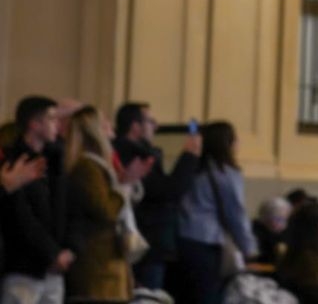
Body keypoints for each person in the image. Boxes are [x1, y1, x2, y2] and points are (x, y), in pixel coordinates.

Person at [63, 106, 150, 304]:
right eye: (104, 123)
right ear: (95, 131)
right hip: (98, 268)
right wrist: (123, 186)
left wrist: (126, 184)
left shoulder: (99, 165)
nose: (110, 127)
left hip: (108, 265)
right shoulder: (87, 167)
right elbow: (106, 210)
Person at [112, 102, 202, 290]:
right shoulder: (132, 154)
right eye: (151, 122)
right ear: (136, 127)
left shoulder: (137, 150)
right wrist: (189, 156)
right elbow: (166, 192)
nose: (156, 126)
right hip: (146, 241)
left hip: (148, 241)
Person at [2, 96, 72, 304]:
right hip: (23, 268)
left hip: (54, 268)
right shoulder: (15, 162)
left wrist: (66, 250)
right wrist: (51, 253)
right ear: (34, 124)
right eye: (51, 119)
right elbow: (21, 217)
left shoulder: (55, 160)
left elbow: (65, 210)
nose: (57, 125)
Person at [176, 122, 255, 304]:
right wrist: (248, 246)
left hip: (182, 239)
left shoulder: (194, 169)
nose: (238, 143)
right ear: (226, 143)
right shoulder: (226, 173)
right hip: (207, 240)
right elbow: (235, 212)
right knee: (208, 295)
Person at [251, 198, 290, 266]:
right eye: (279, 219)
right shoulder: (255, 231)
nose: (283, 224)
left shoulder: (284, 233)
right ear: (265, 217)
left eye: (285, 219)